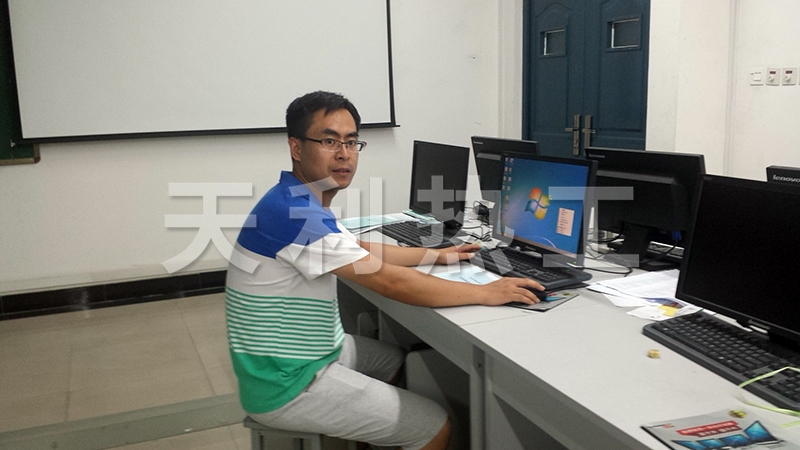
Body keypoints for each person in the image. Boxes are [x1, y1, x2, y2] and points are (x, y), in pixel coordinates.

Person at [225, 91, 544, 450]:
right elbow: (389, 281)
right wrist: (485, 293)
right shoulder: (294, 214)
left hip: (308, 352)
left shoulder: (295, 198)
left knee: (395, 362)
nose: (344, 153)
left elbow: (359, 249)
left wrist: (435, 256)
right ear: (296, 147)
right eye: (329, 141)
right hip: (287, 381)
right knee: (435, 427)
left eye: (351, 142)